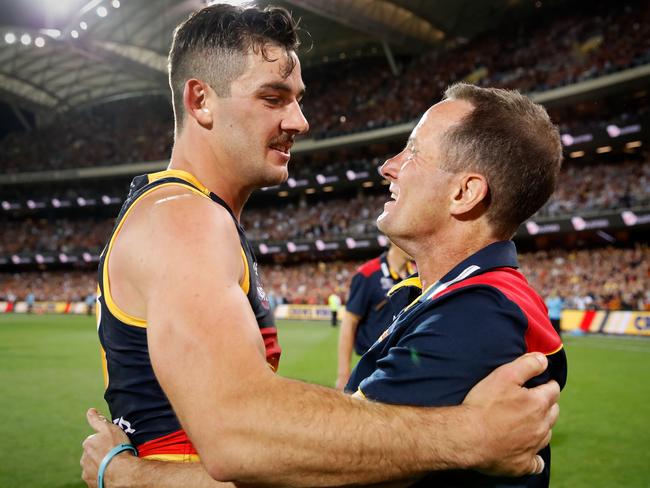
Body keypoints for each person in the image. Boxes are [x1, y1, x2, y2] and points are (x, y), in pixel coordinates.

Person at [81, 4, 560, 487]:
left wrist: (126, 474)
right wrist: (471, 433)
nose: (301, 120)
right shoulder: (184, 219)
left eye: (297, 99)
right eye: (273, 98)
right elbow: (239, 431)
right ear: (201, 100)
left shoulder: (197, 216)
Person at [345, 83, 568, 487]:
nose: (389, 165)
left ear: (464, 193)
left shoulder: (479, 316)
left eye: (413, 151)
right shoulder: (461, 297)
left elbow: (328, 462)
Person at [336, 242, 416, 389]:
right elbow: (349, 322)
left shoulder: (416, 274)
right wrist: (343, 373)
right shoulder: (367, 274)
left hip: (405, 367)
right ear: (393, 238)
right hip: (374, 369)